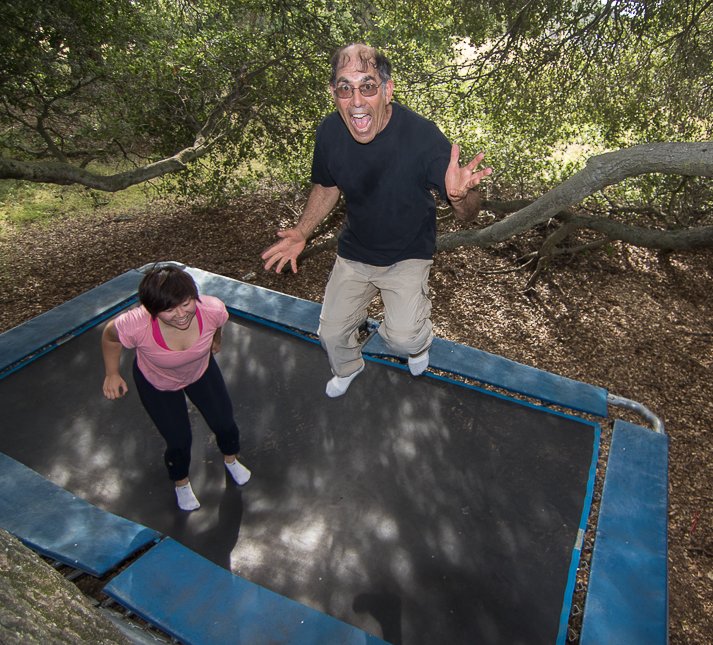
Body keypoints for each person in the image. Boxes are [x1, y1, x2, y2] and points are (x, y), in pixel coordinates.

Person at [262, 43, 492, 397]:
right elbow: (327, 186)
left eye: (367, 86)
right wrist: (302, 231)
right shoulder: (329, 132)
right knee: (331, 333)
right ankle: (349, 368)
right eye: (345, 88)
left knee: (403, 337)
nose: (356, 100)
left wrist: (461, 196)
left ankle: (418, 344)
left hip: (408, 251)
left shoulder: (421, 137)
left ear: (387, 89)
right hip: (356, 249)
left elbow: (469, 216)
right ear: (333, 93)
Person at [101, 265, 251, 511]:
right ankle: (181, 483)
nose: (181, 314)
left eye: (186, 304)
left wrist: (216, 340)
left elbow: (218, 323)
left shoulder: (212, 309)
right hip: (157, 382)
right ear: (152, 310)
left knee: (224, 422)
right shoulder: (135, 324)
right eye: (169, 310)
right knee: (179, 440)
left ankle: (231, 460)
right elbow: (109, 337)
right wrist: (112, 374)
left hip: (200, 371)